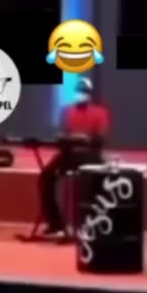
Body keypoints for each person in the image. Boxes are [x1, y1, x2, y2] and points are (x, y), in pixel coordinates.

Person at [38, 77, 109, 238]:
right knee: (46, 177)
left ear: (90, 94)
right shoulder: (67, 111)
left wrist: (85, 139)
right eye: (78, 91)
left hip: (90, 155)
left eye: (84, 92)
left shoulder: (100, 112)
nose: (81, 95)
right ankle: (55, 224)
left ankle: (91, 225)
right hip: (69, 155)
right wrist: (67, 140)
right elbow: (61, 135)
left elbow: (100, 139)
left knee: (96, 181)